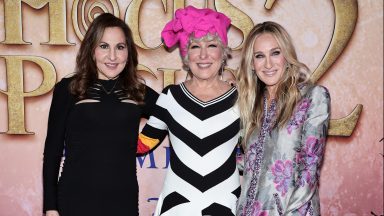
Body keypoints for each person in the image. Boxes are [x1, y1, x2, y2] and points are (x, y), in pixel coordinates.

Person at [42, 13, 158, 216]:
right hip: (74, 202)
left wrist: (144, 144)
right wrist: (50, 207)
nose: (112, 56)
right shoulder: (68, 89)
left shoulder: (138, 92)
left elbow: (173, 114)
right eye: (104, 46)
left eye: (120, 47)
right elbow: (52, 152)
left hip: (124, 203)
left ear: (128, 52)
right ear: (91, 50)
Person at [137, 6, 241, 216]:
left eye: (212, 45)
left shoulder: (242, 99)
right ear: (186, 53)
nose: (203, 55)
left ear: (223, 52)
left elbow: (261, 152)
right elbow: (142, 144)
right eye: (195, 46)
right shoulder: (170, 97)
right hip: (176, 206)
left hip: (226, 205)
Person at [235, 21, 330, 215]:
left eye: (275, 53)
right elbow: (249, 162)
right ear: (252, 64)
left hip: (293, 210)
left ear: (286, 56)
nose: (268, 64)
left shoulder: (312, 96)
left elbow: (308, 172)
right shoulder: (249, 106)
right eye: (259, 56)